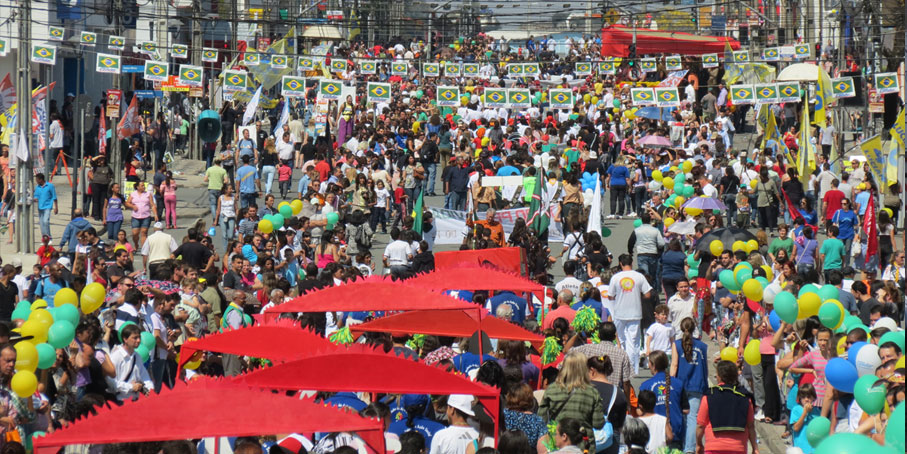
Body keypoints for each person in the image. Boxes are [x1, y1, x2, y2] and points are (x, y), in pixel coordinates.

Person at [538, 351, 605, 452]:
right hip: (584, 445)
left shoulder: (551, 389)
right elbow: (598, 423)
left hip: (557, 443)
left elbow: (541, 419)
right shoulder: (592, 392)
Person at [695, 361, 758, 454]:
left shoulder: (709, 396)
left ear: (719, 376)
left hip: (714, 448)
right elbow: (750, 426)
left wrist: (699, 443)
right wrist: (755, 448)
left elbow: (700, 425)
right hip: (738, 448)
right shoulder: (744, 397)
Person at [606, 254, 652, 374]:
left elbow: (610, 296)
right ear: (631, 263)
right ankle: (633, 369)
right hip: (635, 312)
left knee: (620, 340)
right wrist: (637, 294)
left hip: (620, 312)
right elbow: (648, 294)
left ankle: (619, 367)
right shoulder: (639, 276)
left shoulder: (616, 277)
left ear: (620, 263)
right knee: (634, 341)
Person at [109, 323, 154, 402]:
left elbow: (144, 376)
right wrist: (130, 387)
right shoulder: (116, 356)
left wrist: (150, 389)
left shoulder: (137, 356)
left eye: (139, 337)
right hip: (120, 401)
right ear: (125, 339)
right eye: (135, 338)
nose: (139, 340)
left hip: (135, 400)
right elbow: (111, 382)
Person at [124, 181, 158, 249]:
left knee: (144, 233)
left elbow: (152, 205)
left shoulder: (148, 194)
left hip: (146, 216)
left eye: (144, 186)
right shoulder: (133, 194)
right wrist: (132, 206)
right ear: (137, 187)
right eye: (142, 186)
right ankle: (136, 244)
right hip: (135, 216)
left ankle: (144, 249)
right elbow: (127, 203)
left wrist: (155, 215)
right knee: (135, 233)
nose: (144, 187)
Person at [791, 383, 819, 454]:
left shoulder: (816, 411)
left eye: (809, 397)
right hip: (800, 448)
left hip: (813, 448)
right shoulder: (796, 409)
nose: (806, 399)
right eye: (803, 397)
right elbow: (796, 428)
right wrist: (805, 413)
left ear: (813, 397)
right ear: (799, 398)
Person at [33, 173, 58, 239]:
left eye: (37, 180)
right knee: (41, 224)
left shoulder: (50, 186)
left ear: (41, 179)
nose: (36, 181)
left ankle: (49, 237)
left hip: (47, 206)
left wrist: (56, 207)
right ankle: (44, 238)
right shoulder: (37, 187)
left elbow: (54, 197)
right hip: (40, 207)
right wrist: (35, 199)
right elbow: (36, 195)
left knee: (46, 221)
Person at [204, 157, 228, 224]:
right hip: (220, 188)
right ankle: (219, 219)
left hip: (211, 188)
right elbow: (226, 181)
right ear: (220, 163)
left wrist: (211, 179)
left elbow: (205, 179)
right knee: (219, 205)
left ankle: (215, 218)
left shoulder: (209, 169)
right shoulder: (223, 170)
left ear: (214, 162)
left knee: (213, 204)